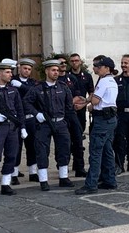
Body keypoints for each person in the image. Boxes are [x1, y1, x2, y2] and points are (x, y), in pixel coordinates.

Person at [23, 59, 76, 190]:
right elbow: (26, 102)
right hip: (44, 124)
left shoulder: (63, 87)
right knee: (41, 150)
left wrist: (67, 122)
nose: (56, 72)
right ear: (46, 71)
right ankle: (43, 180)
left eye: (57, 70)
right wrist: (36, 114)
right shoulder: (37, 88)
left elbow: (69, 107)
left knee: (64, 149)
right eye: (53, 70)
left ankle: (63, 177)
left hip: (60, 123)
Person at [0, 59, 27, 198]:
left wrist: (23, 127)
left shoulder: (13, 90)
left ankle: (6, 184)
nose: (10, 75)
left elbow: (20, 110)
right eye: (7, 72)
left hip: (12, 127)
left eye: (10, 72)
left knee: (12, 155)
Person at [75, 56, 119, 194]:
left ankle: (91, 183)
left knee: (95, 152)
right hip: (110, 118)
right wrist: (88, 101)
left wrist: (88, 103)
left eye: (98, 66)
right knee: (107, 151)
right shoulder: (111, 81)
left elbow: (95, 101)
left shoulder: (104, 81)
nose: (95, 69)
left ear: (107, 68)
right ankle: (109, 180)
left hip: (102, 119)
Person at [57, 55, 87, 178]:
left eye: (64, 63)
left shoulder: (72, 78)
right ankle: (62, 168)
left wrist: (70, 101)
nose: (63, 65)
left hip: (71, 113)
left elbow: (78, 95)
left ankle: (79, 168)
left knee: (78, 140)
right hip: (59, 115)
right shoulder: (54, 80)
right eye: (60, 63)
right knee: (63, 143)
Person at [10, 58, 38, 184]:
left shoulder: (32, 83)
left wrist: (21, 86)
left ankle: (33, 172)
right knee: (16, 146)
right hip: (16, 119)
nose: (27, 71)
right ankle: (14, 173)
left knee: (32, 146)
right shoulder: (11, 80)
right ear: (19, 68)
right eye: (25, 68)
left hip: (30, 118)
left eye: (29, 69)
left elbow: (35, 93)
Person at [68, 53, 94, 135]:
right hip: (68, 109)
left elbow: (92, 93)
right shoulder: (65, 76)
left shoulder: (87, 76)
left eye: (76, 60)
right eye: (72, 61)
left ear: (80, 62)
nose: (74, 63)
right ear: (69, 63)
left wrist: (84, 103)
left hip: (81, 109)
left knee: (80, 131)